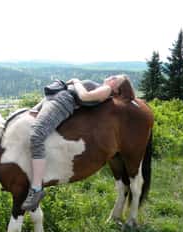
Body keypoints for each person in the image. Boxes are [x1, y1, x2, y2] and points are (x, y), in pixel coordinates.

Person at [21, 74, 135, 211]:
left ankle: (36, 188)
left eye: (115, 79)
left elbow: (85, 96)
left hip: (62, 101)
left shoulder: (106, 90)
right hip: (57, 96)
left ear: (116, 89)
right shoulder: (105, 88)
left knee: (36, 136)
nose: (111, 77)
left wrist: (76, 81)